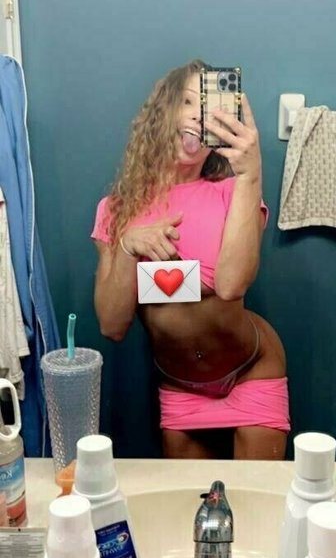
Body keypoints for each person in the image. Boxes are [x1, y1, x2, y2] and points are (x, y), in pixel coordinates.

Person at [90, 59, 290, 459]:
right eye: (186, 101)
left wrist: (250, 174)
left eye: (207, 106)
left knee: (258, 495)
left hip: (252, 369)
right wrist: (128, 247)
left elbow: (231, 286)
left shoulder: (233, 192)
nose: (197, 115)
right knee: (188, 498)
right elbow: (112, 324)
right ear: (162, 113)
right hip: (179, 385)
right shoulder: (116, 209)